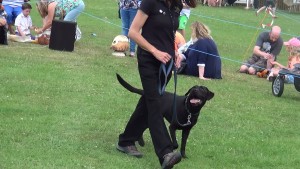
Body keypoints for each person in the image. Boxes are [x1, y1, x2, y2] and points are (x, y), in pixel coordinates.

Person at [116, 0, 197, 168]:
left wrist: (175, 53)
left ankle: (126, 140)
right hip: (148, 59)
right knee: (155, 104)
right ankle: (166, 153)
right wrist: (155, 51)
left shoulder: (176, 6)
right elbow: (133, 32)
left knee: (148, 101)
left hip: (165, 63)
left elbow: (169, 34)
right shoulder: (150, 2)